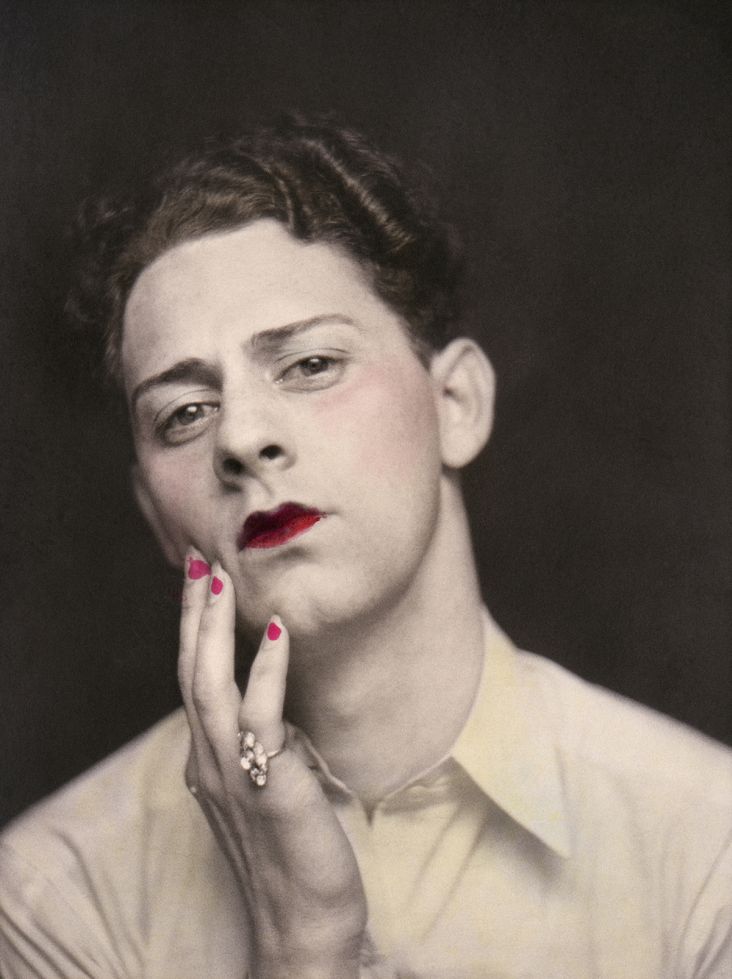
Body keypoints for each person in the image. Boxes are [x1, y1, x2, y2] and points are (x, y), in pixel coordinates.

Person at [0, 116, 730, 979]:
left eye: (309, 364)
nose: (242, 437)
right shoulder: (52, 894)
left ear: (455, 402)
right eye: (184, 413)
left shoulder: (707, 850)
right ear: (159, 518)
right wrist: (303, 946)